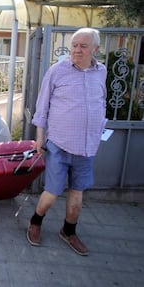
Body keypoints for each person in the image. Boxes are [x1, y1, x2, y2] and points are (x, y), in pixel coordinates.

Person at [27, 27, 107, 256]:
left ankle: (68, 231)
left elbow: (101, 101)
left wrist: (99, 125)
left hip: (87, 147)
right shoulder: (57, 71)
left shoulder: (101, 72)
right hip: (59, 145)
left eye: (83, 46)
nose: (77, 50)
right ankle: (35, 221)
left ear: (95, 49)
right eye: (74, 45)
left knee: (77, 192)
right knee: (52, 191)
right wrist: (39, 139)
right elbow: (41, 108)